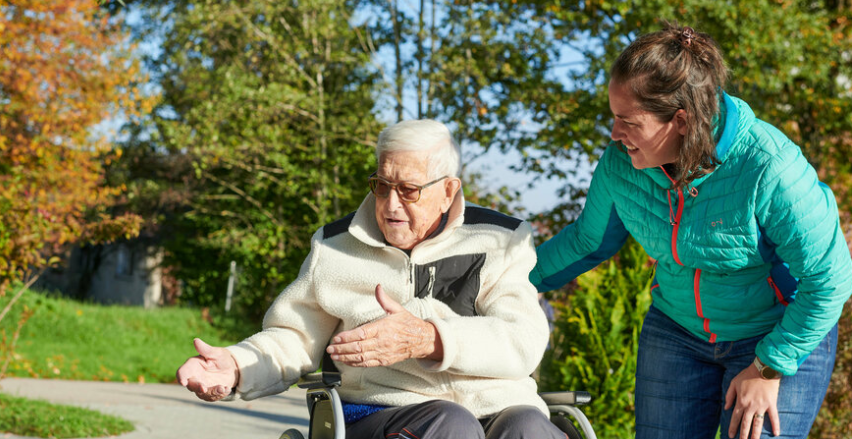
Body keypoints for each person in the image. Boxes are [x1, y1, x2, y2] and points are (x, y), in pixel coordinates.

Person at [529, 22, 852, 439]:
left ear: (680, 121)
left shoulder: (770, 166)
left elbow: (830, 280)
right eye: (613, 118)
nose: (614, 134)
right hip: (677, 331)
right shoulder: (620, 164)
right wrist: (500, 281)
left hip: (777, 331)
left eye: (628, 121)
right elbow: (586, 242)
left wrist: (768, 367)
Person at [177, 119, 566, 439]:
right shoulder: (335, 246)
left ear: (448, 191)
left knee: (530, 427)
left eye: (409, 190)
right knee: (451, 426)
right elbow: (295, 337)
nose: (391, 204)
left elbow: (523, 338)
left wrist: (431, 339)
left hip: (496, 405)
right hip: (385, 413)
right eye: (382, 185)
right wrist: (237, 364)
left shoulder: (502, 239)